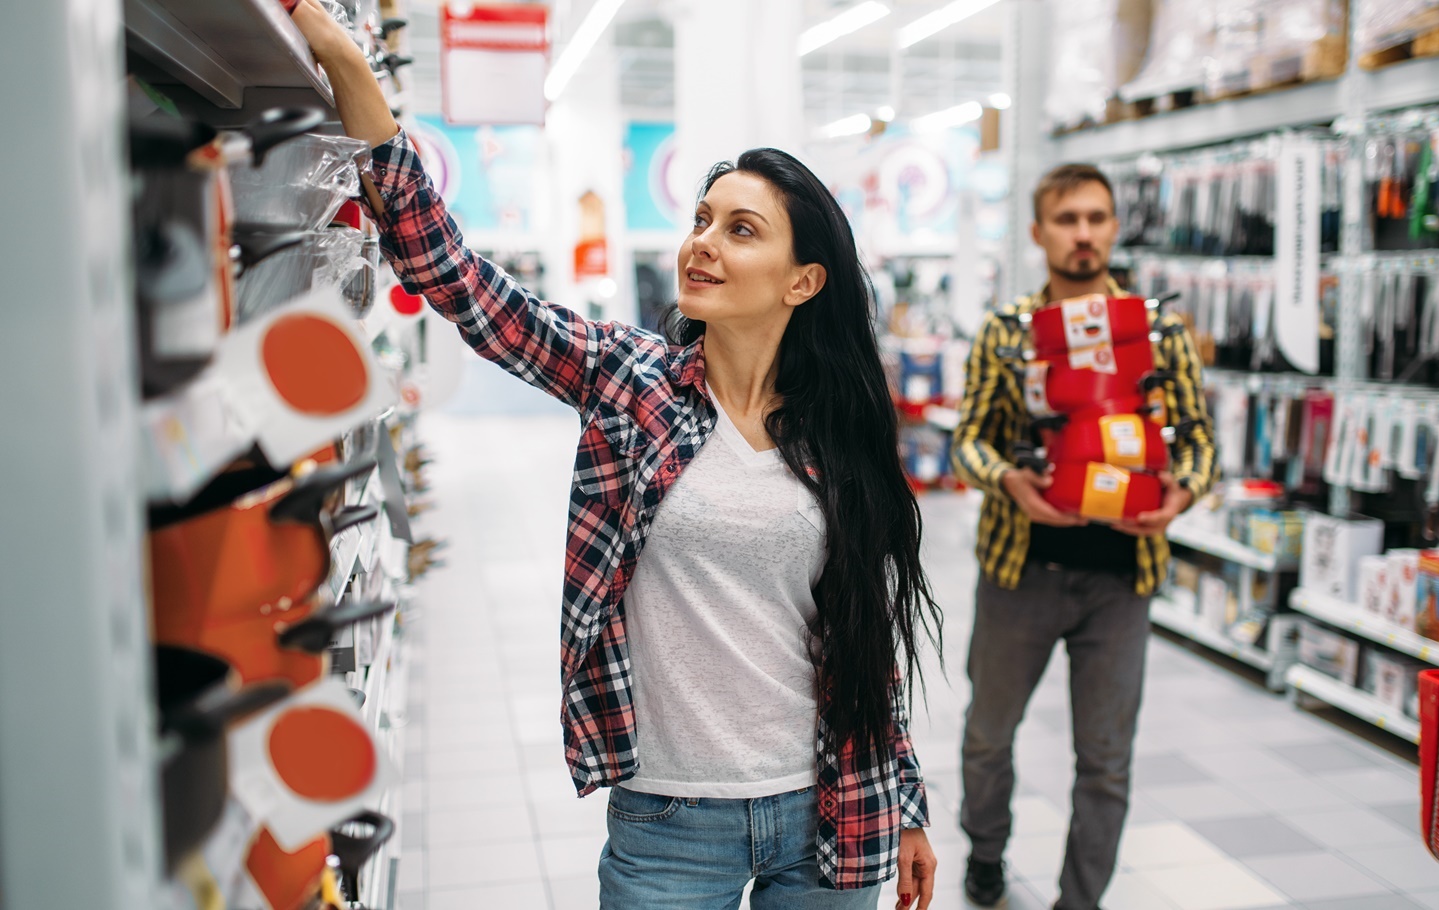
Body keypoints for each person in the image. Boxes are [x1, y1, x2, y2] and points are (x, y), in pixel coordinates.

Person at [286, 4, 942, 908]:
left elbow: (866, 638)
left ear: (803, 280)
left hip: (831, 805)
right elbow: (460, 282)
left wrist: (905, 799)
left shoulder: (840, 435)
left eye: (741, 230)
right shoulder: (631, 383)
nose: (703, 242)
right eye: (703, 219)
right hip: (672, 820)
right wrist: (349, 67)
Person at [950, 164, 1216, 909]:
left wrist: (1179, 495)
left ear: (1112, 226)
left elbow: (1198, 443)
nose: (1083, 233)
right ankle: (985, 852)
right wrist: (1011, 483)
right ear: (1038, 233)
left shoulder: (1157, 331)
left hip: (1120, 579)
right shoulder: (1007, 332)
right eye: (1067, 219)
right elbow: (967, 439)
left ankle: (1079, 900)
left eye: (1096, 218)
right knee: (986, 736)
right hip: (1018, 570)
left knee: (1104, 760)